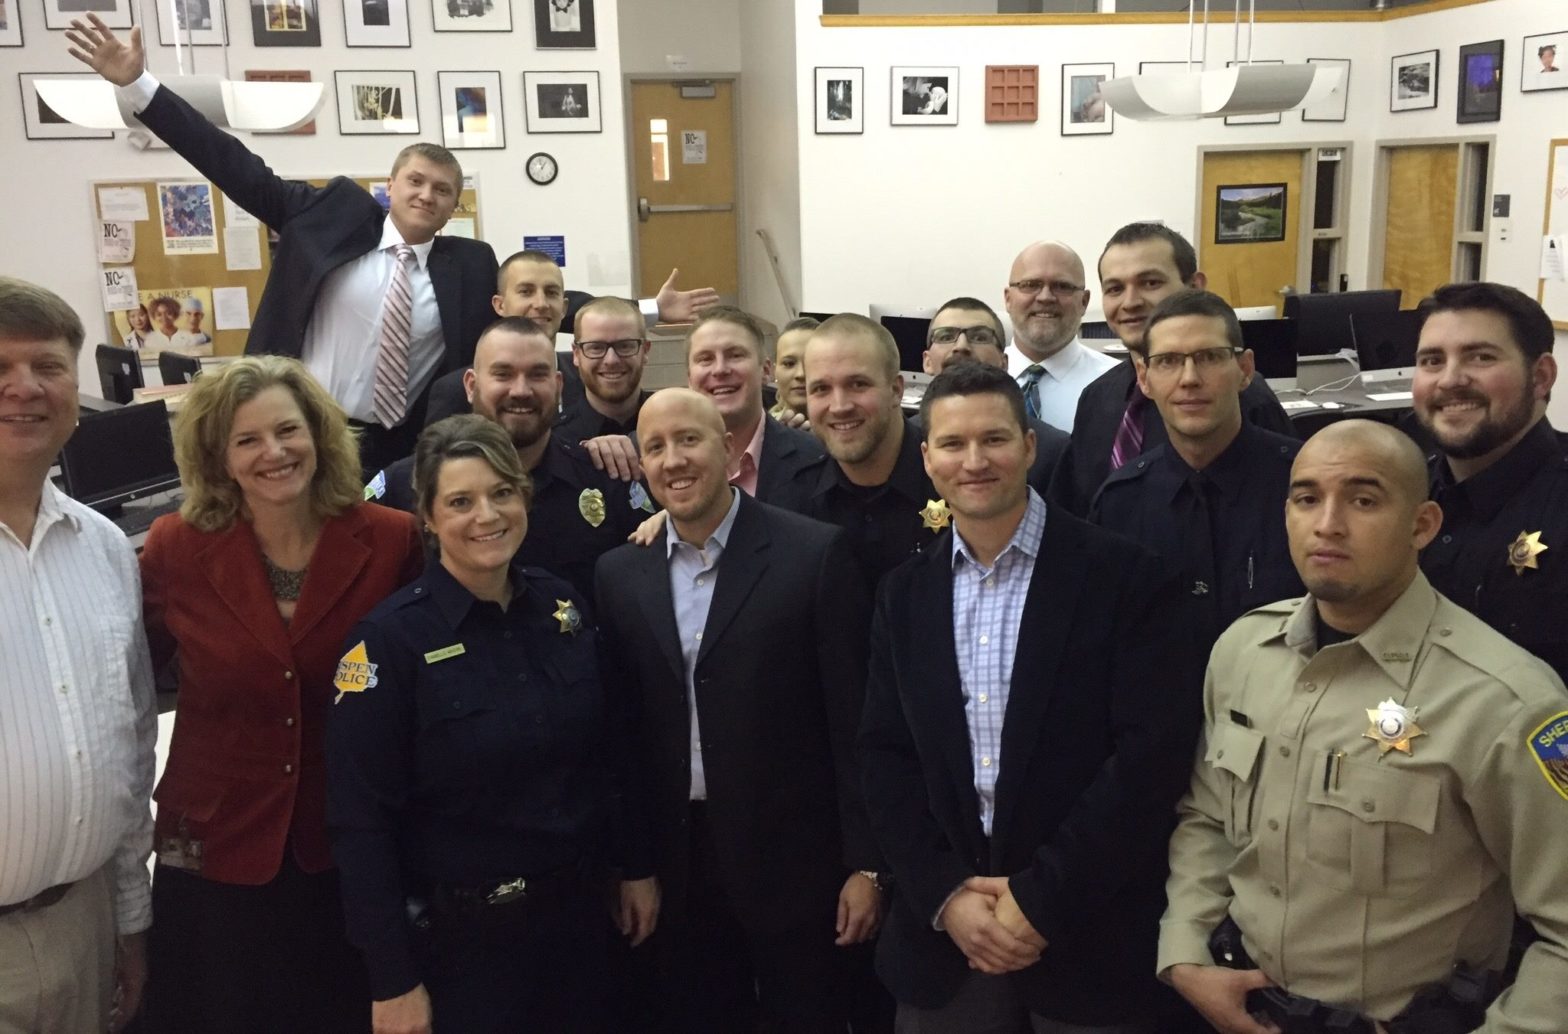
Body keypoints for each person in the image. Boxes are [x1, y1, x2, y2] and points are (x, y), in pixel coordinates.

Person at [1158, 419, 1568, 1033]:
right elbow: (1208, 818)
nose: (1327, 524)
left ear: (1422, 525)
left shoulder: (1506, 701)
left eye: (1364, 499)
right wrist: (1185, 954)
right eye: (1306, 499)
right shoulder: (1244, 653)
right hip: (1239, 1005)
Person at [859, 362, 1200, 1033]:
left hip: (1088, 938)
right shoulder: (905, 593)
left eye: (995, 439)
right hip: (946, 947)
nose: (975, 460)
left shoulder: (1125, 578)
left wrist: (1040, 900)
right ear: (927, 458)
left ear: (1030, 446)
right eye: (952, 444)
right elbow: (884, 757)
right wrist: (946, 895)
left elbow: (1147, 763)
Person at [331, 415, 652, 1034]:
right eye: (460, 501)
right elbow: (360, 822)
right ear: (426, 516)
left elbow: (614, 752)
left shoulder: (563, 608)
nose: (488, 515)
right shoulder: (388, 643)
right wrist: (391, 977)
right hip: (467, 948)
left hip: (583, 926)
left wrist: (635, 864)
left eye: (502, 493)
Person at [68, 15, 501, 472]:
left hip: (402, 450)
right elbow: (232, 164)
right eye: (415, 181)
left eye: (442, 189)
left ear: (455, 206)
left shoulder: (470, 265)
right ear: (389, 186)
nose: (426, 195)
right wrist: (139, 86)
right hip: (303, 431)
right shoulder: (331, 214)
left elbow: (517, 316)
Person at [137, 355, 423, 1032]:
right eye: (247, 440)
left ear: (319, 436)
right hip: (211, 849)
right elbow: (126, 681)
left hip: (346, 848)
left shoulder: (390, 539)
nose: (274, 452)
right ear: (218, 457)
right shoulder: (176, 545)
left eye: (288, 430)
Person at [595, 389, 881, 1034]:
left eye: (690, 439)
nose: (674, 460)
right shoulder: (619, 573)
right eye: (656, 447)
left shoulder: (813, 554)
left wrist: (867, 865)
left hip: (797, 864)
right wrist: (635, 864)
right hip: (677, 865)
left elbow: (855, 722)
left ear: (728, 449)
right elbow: (623, 739)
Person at [0, 277, 156, 1034]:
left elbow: (128, 748)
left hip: (81, 926)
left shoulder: (103, 548)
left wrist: (129, 918)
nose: (23, 388)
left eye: (47, 366)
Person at [367, 316, 643, 607]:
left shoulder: (604, 474)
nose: (521, 390)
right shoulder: (406, 483)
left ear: (559, 385)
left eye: (537, 375)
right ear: (471, 385)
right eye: (503, 374)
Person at [1090, 290, 1303, 648]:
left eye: (1208, 357)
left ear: (1245, 370)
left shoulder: (1304, 486)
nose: (1189, 378)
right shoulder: (1119, 504)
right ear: (1144, 378)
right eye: (1168, 361)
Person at [1052, 222, 1296, 517]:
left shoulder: (1239, 398)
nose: (1130, 302)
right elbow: (1076, 508)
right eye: (1115, 288)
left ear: (1195, 286)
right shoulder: (1096, 398)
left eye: (1150, 283)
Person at [1414, 282, 1568, 685]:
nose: (1449, 380)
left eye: (1480, 357)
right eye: (1432, 361)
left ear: (1541, 377)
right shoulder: (1405, 493)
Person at [423, 249, 719, 430]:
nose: (541, 304)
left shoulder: (587, 379)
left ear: (564, 307)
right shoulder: (453, 390)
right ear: (499, 304)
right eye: (525, 291)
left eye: (551, 293)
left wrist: (653, 309)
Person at [920, 297, 1070, 489]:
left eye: (980, 337)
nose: (961, 346)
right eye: (945, 336)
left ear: (1004, 362)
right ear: (927, 361)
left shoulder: (1053, 449)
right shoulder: (903, 441)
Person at [686, 305, 824, 502]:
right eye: (705, 359)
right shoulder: (655, 463)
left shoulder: (817, 460)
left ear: (766, 370)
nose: (720, 369)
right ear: (690, 378)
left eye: (735, 355)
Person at [1002, 240, 1118, 432]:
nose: (1045, 297)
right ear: (1008, 299)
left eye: (1062, 286)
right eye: (1031, 285)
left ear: (1084, 301)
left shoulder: (1119, 385)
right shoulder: (974, 381)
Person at [556, 295, 656, 446]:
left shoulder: (676, 422)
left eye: (624, 346)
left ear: (645, 351)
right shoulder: (555, 440)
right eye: (596, 347)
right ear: (576, 354)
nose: (611, 360)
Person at [769, 315, 818, 422]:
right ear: (774, 371)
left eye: (811, 362)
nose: (801, 374)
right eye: (789, 364)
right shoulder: (762, 432)